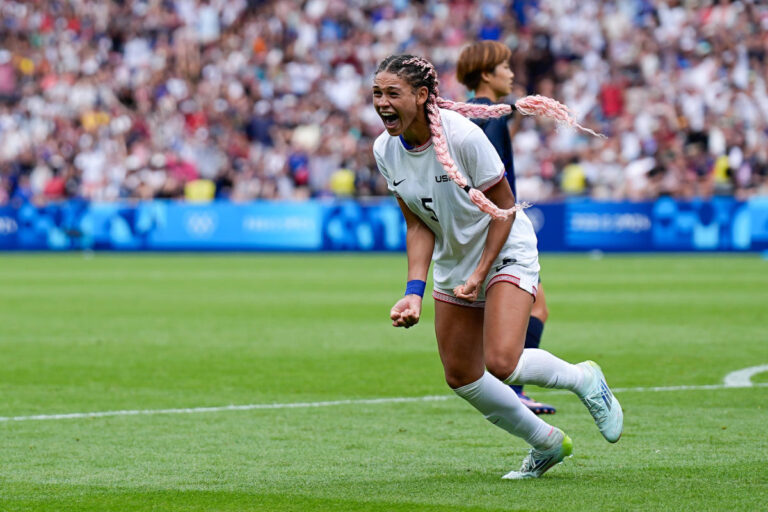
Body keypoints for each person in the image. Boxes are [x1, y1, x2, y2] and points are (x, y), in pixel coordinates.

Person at [371, 54, 622, 479]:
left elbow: (504, 211)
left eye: (392, 93)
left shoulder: (463, 137)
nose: (382, 102)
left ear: (422, 95)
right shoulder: (384, 150)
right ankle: (545, 443)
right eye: (377, 93)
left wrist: (480, 272)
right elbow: (417, 224)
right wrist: (413, 292)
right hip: (456, 260)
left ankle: (584, 378)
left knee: (503, 362)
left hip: (504, 247)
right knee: (461, 375)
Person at [456, 40, 555, 415]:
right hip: (500, 223)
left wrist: (513, 107)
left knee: (507, 309)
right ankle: (513, 389)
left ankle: (509, 388)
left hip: (471, 225)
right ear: (486, 73)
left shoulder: (467, 113)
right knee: (536, 307)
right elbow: (493, 177)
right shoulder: (491, 119)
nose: (512, 73)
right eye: (505, 67)